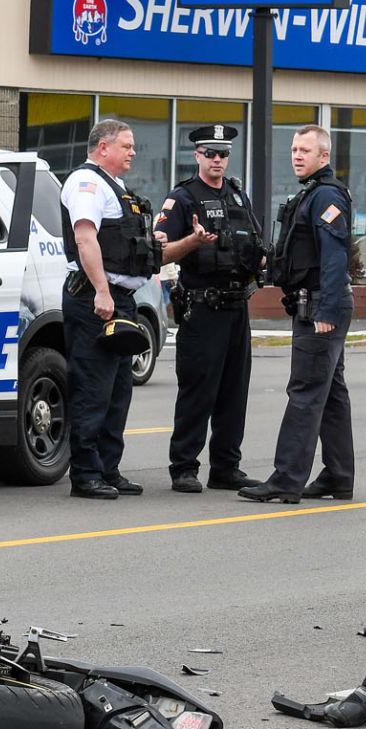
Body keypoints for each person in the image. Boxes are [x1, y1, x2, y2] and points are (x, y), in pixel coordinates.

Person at [240, 124, 357, 504]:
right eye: (294, 149)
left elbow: (335, 255)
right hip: (317, 301)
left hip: (320, 305)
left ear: (324, 156)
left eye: (305, 150)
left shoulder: (326, 195)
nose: (297, 156)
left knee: (305, 392)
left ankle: (286, 480)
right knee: (331, 394)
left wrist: (327, 309)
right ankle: (338, 476)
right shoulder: (313, 193)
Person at [155, 125, 263, 494]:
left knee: (234, 391)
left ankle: (226, 468)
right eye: (210, 153)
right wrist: (193, 240)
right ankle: (184, 468)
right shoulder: (183, 198)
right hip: (202, 308)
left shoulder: (237, 195)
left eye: (223, 154)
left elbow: (255, 243)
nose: (217, 160)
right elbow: (161, 254)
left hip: (237, 307)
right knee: (198, 391)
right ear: (197, 156)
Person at [59, 119, 160, 500]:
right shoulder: (86, 183)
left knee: (118, 390)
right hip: (96, 300)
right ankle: (86, 474)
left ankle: (108, 469)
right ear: (103, 147)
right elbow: (85, 238)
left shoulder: (115, 186)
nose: (133, 152)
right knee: (92, 388)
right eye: (126, 146)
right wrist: (102, 291)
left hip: (121, 300)